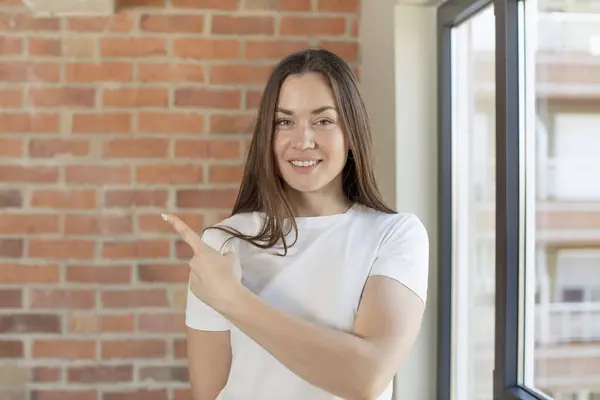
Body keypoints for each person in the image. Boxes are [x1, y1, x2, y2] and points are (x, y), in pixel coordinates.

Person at [161, 48, 430, 400]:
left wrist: (232, 298)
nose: (302, 141)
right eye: (284, 122)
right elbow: (210, 393)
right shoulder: (223, 244)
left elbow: (366, 377)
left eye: (323, 121)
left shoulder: (394, 236)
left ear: (351, 133)